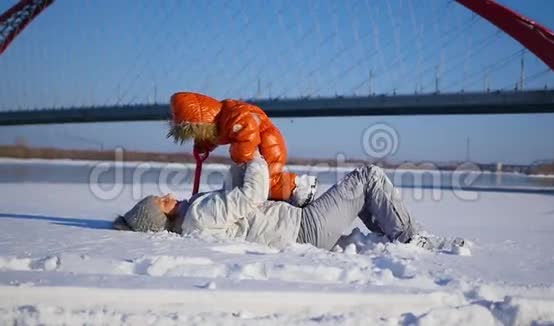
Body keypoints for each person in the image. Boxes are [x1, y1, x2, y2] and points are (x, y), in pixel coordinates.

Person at [113, 152, 422, 250]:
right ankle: (408, 239)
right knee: (368, 176)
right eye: (162, 202)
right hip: (305, 228)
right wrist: (255, 157)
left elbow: (232, 195)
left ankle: (392, 235)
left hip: (300, 225)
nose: (167, 196)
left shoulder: (195, 216)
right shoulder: (198, 215)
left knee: (363, 198)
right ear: (160, 219)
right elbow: (250, 196)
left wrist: (238, 156)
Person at [168, 92, 317, 207]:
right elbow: (217, 136)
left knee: (265, 182)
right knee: (248, 184)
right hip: (257, 148)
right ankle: (282, 199)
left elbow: (248, 130)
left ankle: (301, 185)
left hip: (268, 146)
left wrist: (240, 155)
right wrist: (204, 145)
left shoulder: (233, 115)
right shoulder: (219, 121)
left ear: (200, 123)